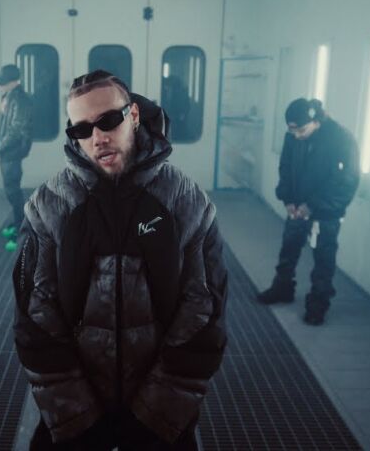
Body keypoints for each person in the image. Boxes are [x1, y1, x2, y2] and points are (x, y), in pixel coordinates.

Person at [12, 70, 228, 450]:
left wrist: (155, 415)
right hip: (75, 414)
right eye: (82, 129)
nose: (98, 137)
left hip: (160, 416)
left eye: (109, 120)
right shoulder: (48, 205)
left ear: (134, 116)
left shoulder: (186, 201)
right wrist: (75, 413)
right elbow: (35, 317)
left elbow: (203, 314)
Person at [257, 98, 359, 326]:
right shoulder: (293, 136)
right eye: (292, 131)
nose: (297, 136)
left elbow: (346, 181)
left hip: (327, 212)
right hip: (297, 207)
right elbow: (285, 167)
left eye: (301, 131)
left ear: (316, 122)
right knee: (289, 247)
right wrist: (288, 199)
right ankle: (283, 288)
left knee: (323, 257)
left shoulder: (341, 139)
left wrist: (312, 205)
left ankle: (318, 305)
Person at [0, 64, 32, 251]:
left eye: (2, 83)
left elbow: (15, 129)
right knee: (11, 189)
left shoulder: (20, 100)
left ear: (13, 82)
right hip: (7, 149)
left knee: (13, 190)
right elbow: (1, 126)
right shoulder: (8, 97)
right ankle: (19, 223)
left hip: (13, 150)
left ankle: (23, 229)